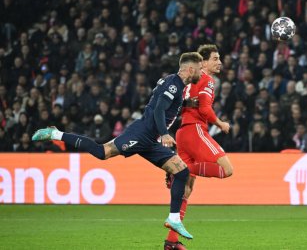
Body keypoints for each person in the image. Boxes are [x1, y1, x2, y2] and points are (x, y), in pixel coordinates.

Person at [31, 52, 204, 240]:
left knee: (181, 172)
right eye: (200, 69)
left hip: (149, 139)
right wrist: (164, 133)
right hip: (142, 133)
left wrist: (187, 103)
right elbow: (159, 109)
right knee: (102, 152)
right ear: (190, 69)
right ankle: (55, 134)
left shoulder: (173, 83)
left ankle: (174, 218)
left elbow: (165, 103)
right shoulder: (173, 84)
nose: (202, 73)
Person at [164, 45, 233, 250]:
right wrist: (220, 123)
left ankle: (171, 242)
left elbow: (184, 103)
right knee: (226, 169)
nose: (219, 62)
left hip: (182, 132)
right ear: (202, 62)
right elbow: (204, 108)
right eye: (215, 58)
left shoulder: (189, 80)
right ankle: (177, 170)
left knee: (186, 190)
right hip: (195, 130)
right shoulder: (207, 80)